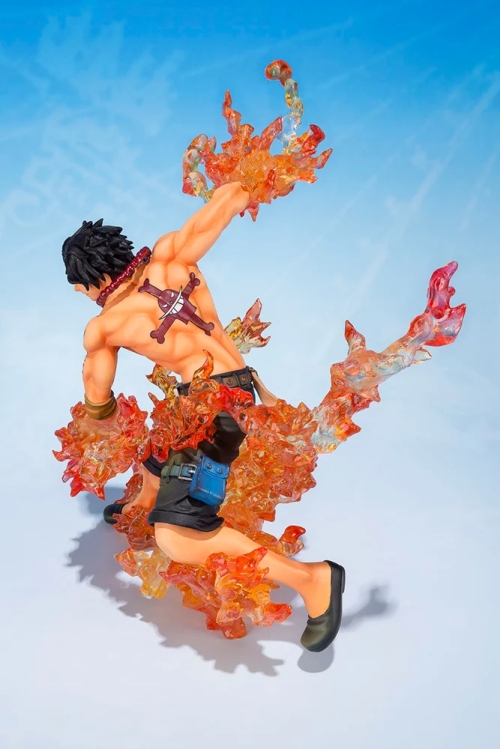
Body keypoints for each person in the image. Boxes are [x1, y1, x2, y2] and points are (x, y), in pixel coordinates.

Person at [62, 181, 345, 652]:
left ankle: (313, 580)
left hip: (217, 412)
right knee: (160, 439)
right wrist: (250, 177)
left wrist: (97, 418)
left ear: (85, 283)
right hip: (234, 386)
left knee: (177, 538)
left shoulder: (104, 327)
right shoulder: (172, 257)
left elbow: (99, 399)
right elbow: (228, 200)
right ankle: (141, 506)